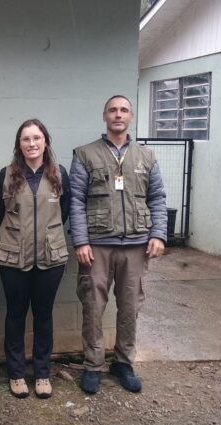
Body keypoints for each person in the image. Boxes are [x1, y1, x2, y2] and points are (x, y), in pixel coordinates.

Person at [70, 95, 167, 394]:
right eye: (112, 110)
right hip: (97, 245)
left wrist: (158, 234)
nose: (118, 114)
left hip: (137, 244)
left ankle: (123, 362)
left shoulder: (146, 156)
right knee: (93, 306)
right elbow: (75, 200)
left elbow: (157, 198)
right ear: (104, 116)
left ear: (131, 116)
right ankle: (93, 364)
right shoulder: (85, 154)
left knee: (129, 307)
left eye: (123, 110)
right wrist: (81, 240)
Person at [0, 119, 71, 399]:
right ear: (19, 144)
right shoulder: (5, 175)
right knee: (15, 314)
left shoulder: (59, 174)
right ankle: (15, 374)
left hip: (50, 258)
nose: (32, 144)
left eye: (36, 138)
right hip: (15, 257)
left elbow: (64, 212)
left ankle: (41, 373)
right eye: (26, 139)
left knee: (43, 315)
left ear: (45, 141)